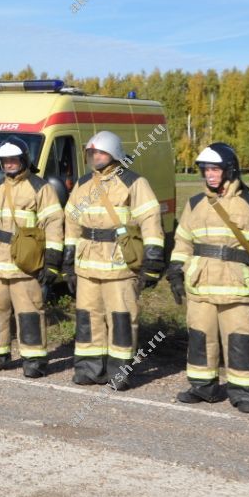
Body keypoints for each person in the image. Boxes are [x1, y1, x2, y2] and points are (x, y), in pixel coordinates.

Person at [167, 143, 249, 414]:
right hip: (200, 285)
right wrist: (175, 270)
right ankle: (202, 387)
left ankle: (243, 393)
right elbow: (183, 241)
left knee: (240, 340)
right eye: (206, 170)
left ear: (229, 170)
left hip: (237, 286)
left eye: (215, 169)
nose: (209, 175)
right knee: (200, 338)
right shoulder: (195, 204)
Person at [62, 131, 166, 389]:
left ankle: (119, 372)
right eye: (92, 153)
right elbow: (72, 221)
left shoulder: (133, 182)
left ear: (114, 155)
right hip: (87, 266)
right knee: (88, 318)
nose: (95, 157)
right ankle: (89, 369)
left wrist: (153, 257)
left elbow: (150, 220)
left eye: (101, 152)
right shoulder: (83, 184)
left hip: (119, 265)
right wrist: (68, 258)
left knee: (121, 319)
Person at [0, 136, 62, 376]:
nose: (9, 164)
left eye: (14, 159)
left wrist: (52, 260)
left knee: (29, 312)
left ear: (24, 160)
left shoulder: (41, 188)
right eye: (5, 160)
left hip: (26, 264)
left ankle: (34, 361)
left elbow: (54, 224)